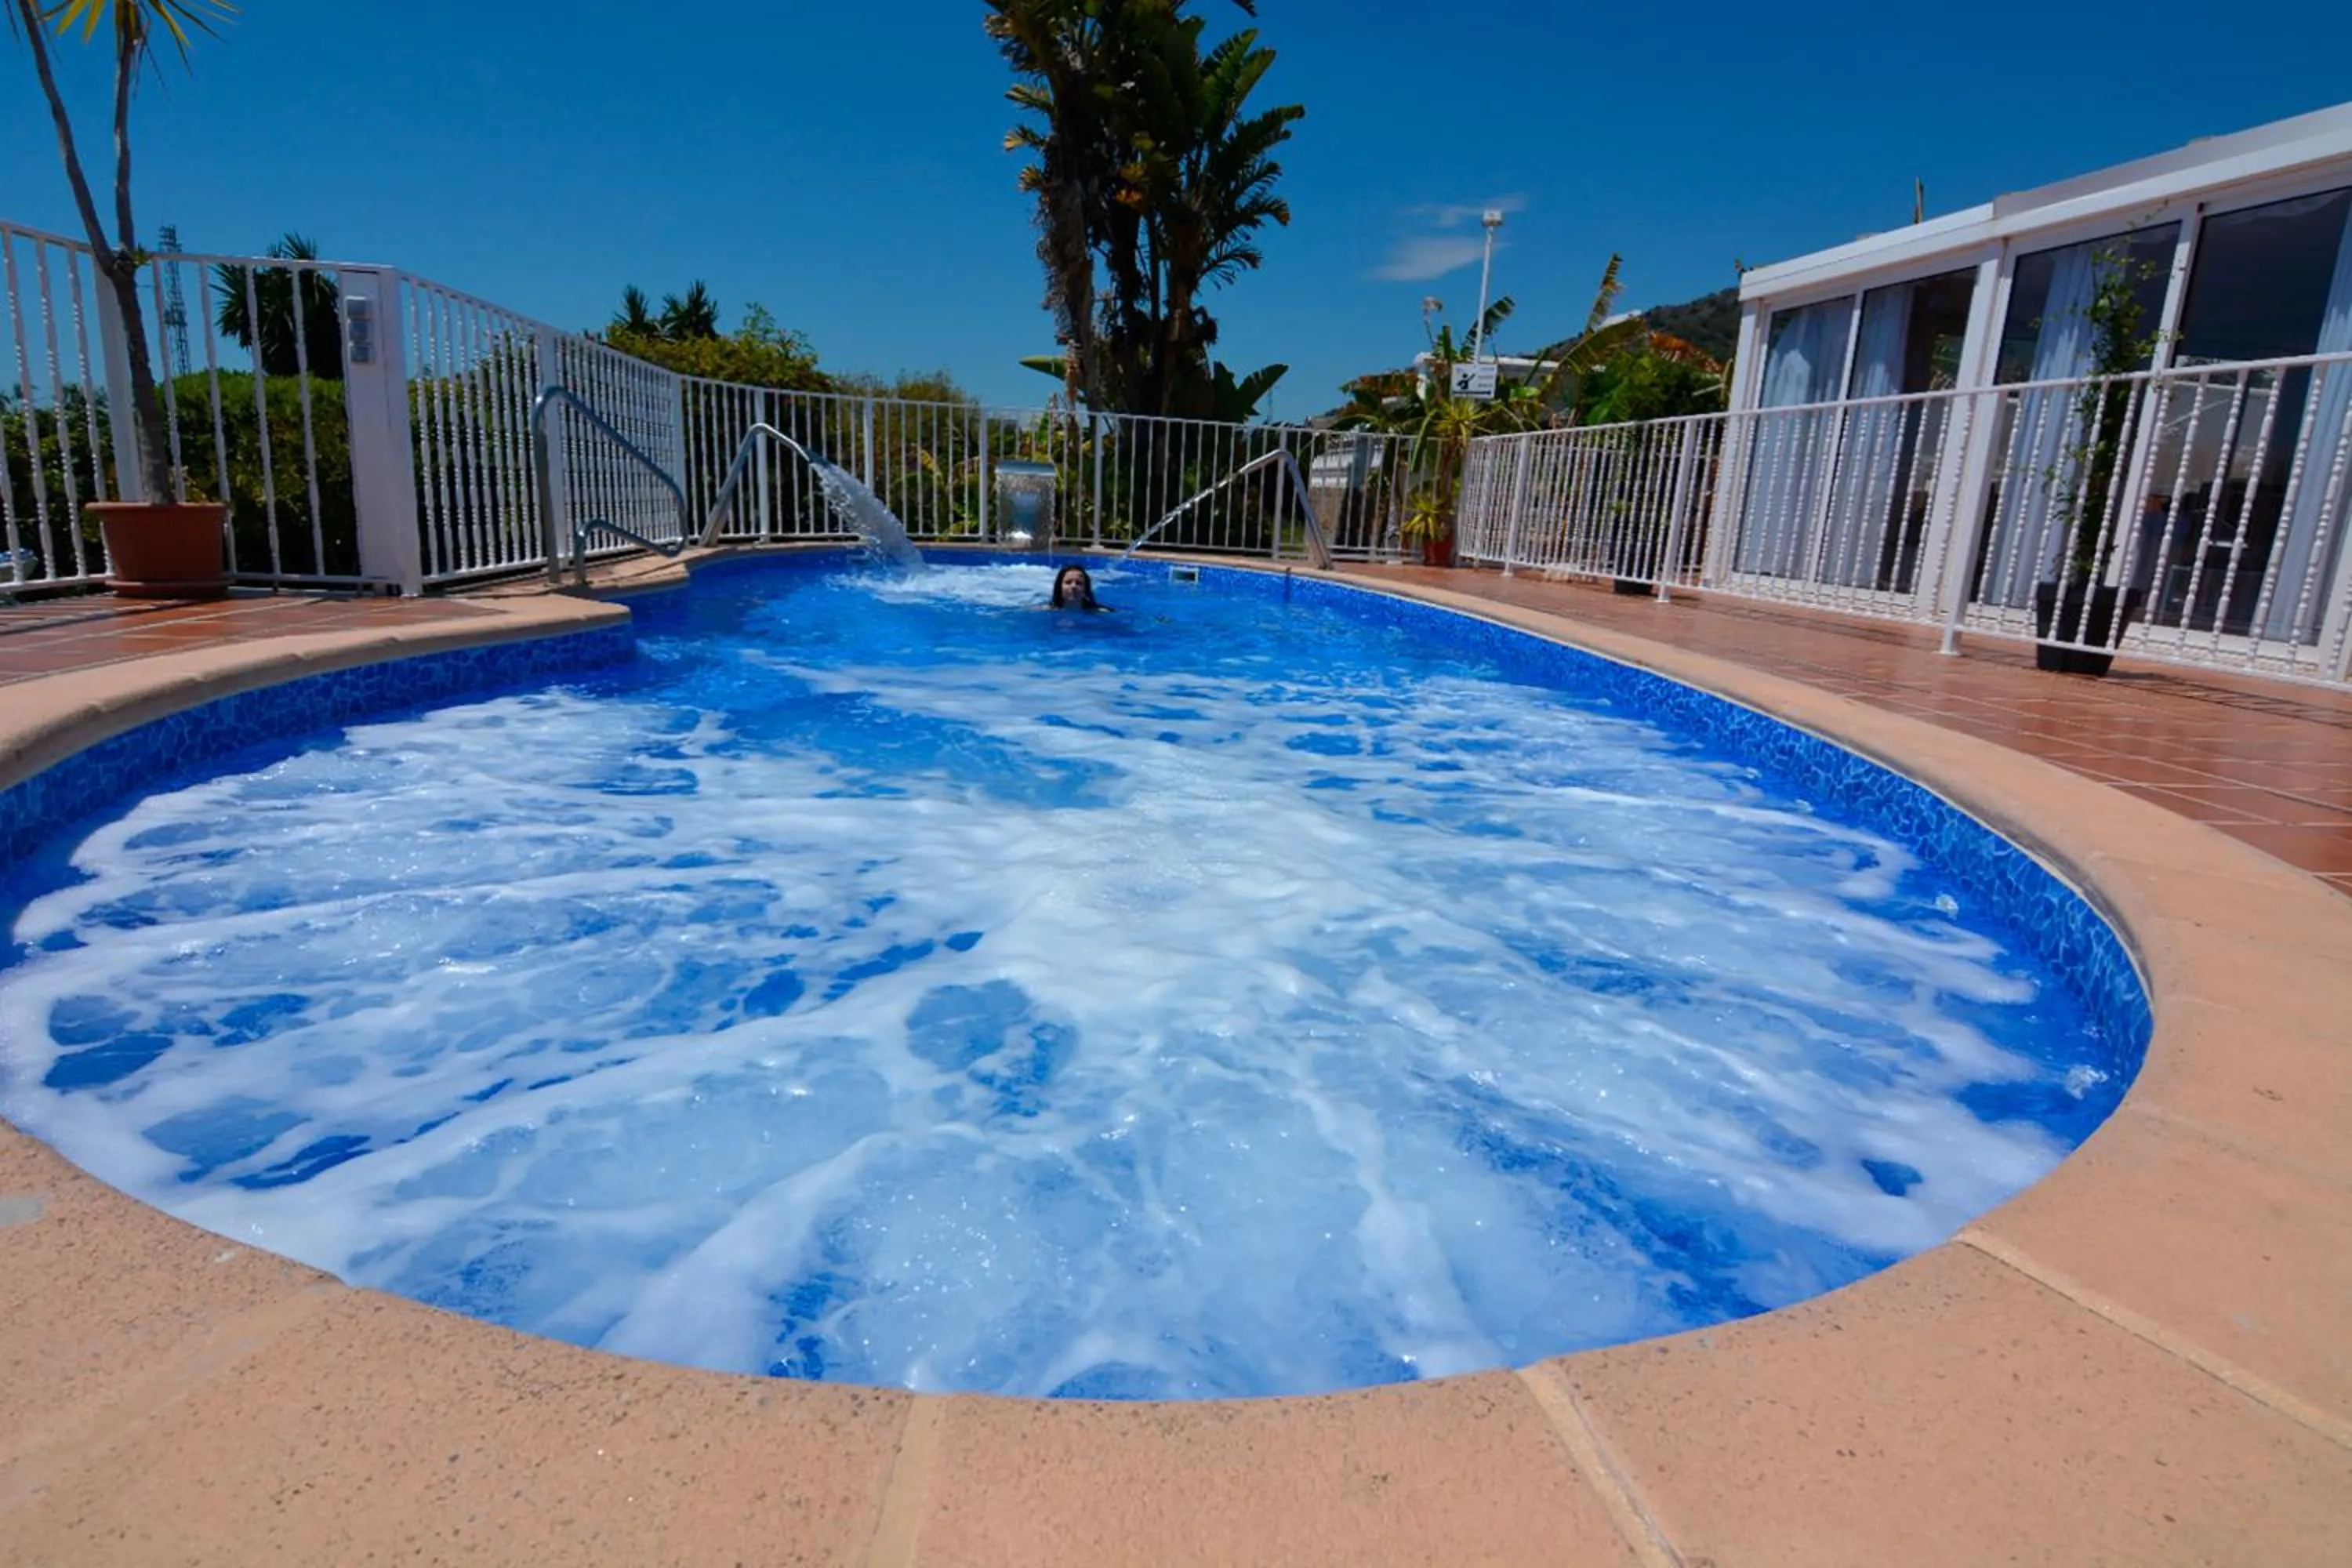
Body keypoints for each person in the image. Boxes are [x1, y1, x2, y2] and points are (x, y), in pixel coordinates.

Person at [1047, 564, 1111, 612]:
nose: (1073, 586)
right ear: (1059, 587)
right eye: (1068, 582)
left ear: (1086, 589)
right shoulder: (1046, 610)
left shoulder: (1102, 612)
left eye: (1079, 583)